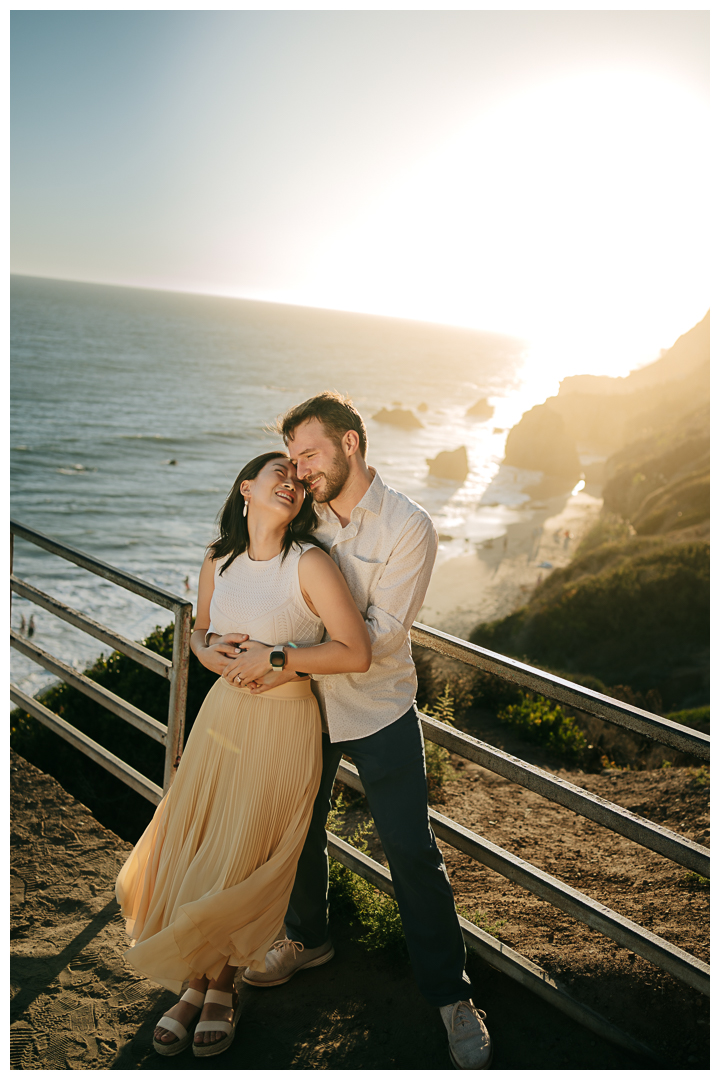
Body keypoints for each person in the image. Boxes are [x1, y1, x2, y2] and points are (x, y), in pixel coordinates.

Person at [230, 393, 492, 1070]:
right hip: (301, 705)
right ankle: (306, 939)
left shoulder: (410, 526)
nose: (299, 469)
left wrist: (283, 653)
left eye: (309, 454)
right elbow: (264, 578)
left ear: (350, 444)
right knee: (294, 832)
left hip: (378, 706)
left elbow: (378, 638)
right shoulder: (300, 512)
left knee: (411, 852)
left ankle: (451, 998)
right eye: (291, 458)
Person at [115, 450, 371, 1059]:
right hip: (221, 718)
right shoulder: (217, 558)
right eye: (276, 472)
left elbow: (355, 651)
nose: (292, 481)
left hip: (283, 725)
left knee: (246, 849)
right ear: (246, 489)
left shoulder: (309, 563)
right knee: (204, 837)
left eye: (297, 477)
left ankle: (220, 983)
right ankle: (195, 980)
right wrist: (204, 653)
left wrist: (278, 658)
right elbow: (200, 628)